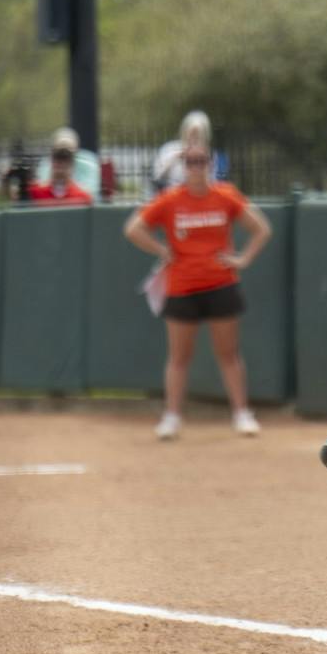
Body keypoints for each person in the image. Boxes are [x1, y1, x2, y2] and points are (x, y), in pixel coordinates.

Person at [123, 145, 273, 440]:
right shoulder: (170, 200)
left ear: (210, 164)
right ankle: (172, 417)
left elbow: (262, 228)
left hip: (220, 282)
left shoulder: (225, 195)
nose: (195, 167)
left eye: (201, 161)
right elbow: (134, 229)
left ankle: (241, 413)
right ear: (183, 166)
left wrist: (242, 259)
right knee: (179, 356)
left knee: (228, 353)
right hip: (182, 285)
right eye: (190, 162)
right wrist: (161, 250)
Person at [28, 128, 93, 207]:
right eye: (58, 156)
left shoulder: (83, 198)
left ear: (73, 162)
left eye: (66, 157)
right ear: (51, 158)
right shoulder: (35, 193)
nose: (61, 162)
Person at [152, 111, 213, 192]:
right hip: (172, 194)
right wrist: (177, 157)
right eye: (192, 134)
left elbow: (211, 181)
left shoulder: (205, 155)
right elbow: (157, 176)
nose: (193, 139)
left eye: (198, 135)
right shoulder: (170, 148)